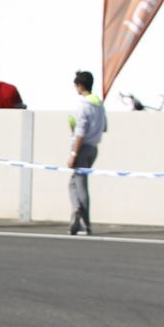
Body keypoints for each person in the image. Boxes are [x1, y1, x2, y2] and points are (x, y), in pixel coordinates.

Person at [67, 70, 105, 236]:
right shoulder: (99, 104)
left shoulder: (84, 105)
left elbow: (80, 132)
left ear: (81, 85)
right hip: (94, 147)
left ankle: (84, 221)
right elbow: (104, 127)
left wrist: (73, 154)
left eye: (76, 85)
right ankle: (77, 212)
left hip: (82, 148)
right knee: (73, 184)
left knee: (80, 185)